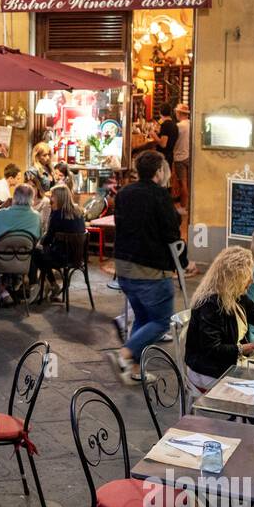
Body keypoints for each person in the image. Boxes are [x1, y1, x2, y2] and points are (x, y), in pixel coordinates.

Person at [110, 152, 183, 382]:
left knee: (142, 317)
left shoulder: (124, 194)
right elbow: (171, 232)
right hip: (150, 268)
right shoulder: (160, 195)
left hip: (124, 266)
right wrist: (183, 262)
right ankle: (125, 353)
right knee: (161, 321)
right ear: (159, 171)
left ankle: (134, 371)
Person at [184, 247, 254, 391]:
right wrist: (252, 346)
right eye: (247, 277)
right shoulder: (210, 304)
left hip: (227, 364)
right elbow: (213, 349)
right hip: (207, 370)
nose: (251, 281)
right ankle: (239, 412)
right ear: (233, 278)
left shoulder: (236, 295)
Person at [0, 183, 41, 305]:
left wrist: (2, 206)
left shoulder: (1, 214)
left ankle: (3, 292)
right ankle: (14, 285)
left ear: (14, 197)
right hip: (23, 261)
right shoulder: (36, 217)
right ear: (32, 198)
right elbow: (37, 239)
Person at [33, 185, 86, 301]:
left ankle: (52, 284)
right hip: (77, 258)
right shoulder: (79, 212)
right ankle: (52, 285)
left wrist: (41, 239)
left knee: (36, 253)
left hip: (61, 258)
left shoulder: (57, 214)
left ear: (59, 198)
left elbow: (47, 240)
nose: (51, 198)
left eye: (53, 196)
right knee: (44, 252)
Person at [172, 102, 191, 207]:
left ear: (179, 113)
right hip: (189, 156)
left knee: (183, 183)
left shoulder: (178, 126)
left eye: (177, 112)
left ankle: (184, 206)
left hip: (180, 156)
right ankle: (189, 206)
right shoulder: (191, 124)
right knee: (189, 182)